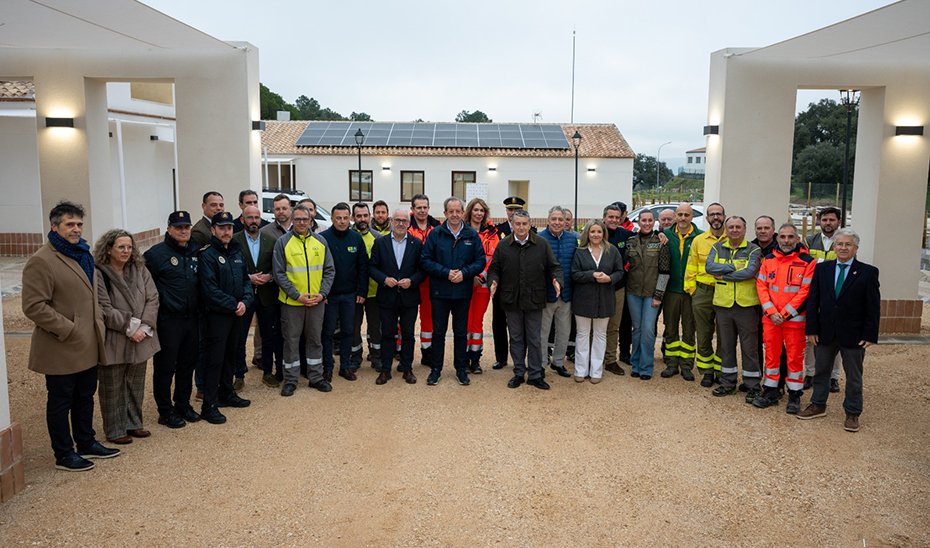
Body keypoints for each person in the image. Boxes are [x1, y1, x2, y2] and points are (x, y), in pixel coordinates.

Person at [22, 201, 119, 471]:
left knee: (85, 396)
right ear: (54, 227)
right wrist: (68, 328)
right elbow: (33, 306)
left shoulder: (83, 254)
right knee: (61, 400)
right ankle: (64, 454)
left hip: (88, 343)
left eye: (78, 224)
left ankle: (86, 442)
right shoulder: (42, 260)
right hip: (61, 345)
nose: (76, 229)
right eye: (69, 224)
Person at [799, 228, 880, 433]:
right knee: (821, 371)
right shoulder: (822, 269)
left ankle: (853, 412)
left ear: (856, 248)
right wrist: (811, 329)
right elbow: (813, 301)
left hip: (853, 334)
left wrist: (870, 334)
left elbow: (873, 306)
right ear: (834, 246)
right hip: (825, 332)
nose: (843, 248)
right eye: (840, 244)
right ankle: (818, 404)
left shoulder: (868, 272)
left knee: (854, 376)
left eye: (848, 244)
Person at [93, 229, 160, 445]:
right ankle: (114, 429)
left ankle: (133, 423)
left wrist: (145, 326)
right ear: (109, 249)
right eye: (121, 247)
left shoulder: (139, 269)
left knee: (135, 383)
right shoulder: (99, 272)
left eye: (129, 247)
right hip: (115, 337)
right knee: (112, 386)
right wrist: (130, 327)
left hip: (142, 335)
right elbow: (103, 306)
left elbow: (153, 297)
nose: (126, 251)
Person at [488, 210, 562, 390]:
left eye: (524, 224)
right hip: (511, 299)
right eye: (517, 224)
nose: (521, 227)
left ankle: (535, 374)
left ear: (530, 224)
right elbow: (494, 268)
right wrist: (493, 281)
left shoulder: (541, 244)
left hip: (534, 298)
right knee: (516, 337)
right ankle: (519, 372)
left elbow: (554, 267)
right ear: (512, 224)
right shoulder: (503, 245)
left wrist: (556, 280)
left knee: (534, 338)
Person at [144, 211, 202, 429]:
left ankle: (183, 404)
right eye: (178, 227)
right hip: (168, 320)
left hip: (192, 318)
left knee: (188, 365)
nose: (183, 231)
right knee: (165, 367)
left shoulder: (196, 250)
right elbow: (146, 288)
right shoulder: (155, 255)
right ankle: (164, 410)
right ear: (169, 229)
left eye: (186, 227)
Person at [421, 197, 486, 386]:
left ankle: (461, 369)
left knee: (460, 332)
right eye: (451, 211)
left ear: (462, 212)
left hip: (462, 293)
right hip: (440, 292)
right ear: (445, 213)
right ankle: (436, 369)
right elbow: (425, 260)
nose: (455, 215)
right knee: (438, 332)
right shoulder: (436, 234)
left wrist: (465, 273)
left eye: (458, 211)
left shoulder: (471, 235)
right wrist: (446, 273)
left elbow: (480, 261)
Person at [273, 204, 336, 396]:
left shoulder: (321, 242)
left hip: (316, 302)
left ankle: (315, 377)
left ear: (311, 221)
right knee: (291, 342)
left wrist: (323, 294)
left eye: (305, 219)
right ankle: (291, 380)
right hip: (292, 303)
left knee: (315, 340)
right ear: (292, 220)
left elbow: (329, 270)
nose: (301, 222)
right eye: (298, 219)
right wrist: (297, 295)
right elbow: (279, 274)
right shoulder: (283, 243)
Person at [753, 224, 815, 414]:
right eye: (783, 237)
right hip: (771, 319)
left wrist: (785, 313)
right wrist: (771, 311)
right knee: (771, 356)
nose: (786, 241)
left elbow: (805, 291)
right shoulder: (769, 259)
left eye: (791, 237)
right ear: (778, 239)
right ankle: (771, 391)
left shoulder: (807, 261)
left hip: (794, 321)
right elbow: (761, 285)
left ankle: (794, 396)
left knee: (794, 359)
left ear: (797, 239)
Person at [198, 211, 252, 424]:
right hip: (217, 317)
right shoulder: (207, 254)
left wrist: (245, 302)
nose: (226, 231)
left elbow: (246, 281)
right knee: (215, 359)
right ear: (213, 230)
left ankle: (226, 393)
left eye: (229, 227)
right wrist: (233, 304)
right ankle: (208, 404)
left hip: (236, 314)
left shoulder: (236, 251)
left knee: (231, 354)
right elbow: (209, 290)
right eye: (222, 228)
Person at [706, 216, 763, 400]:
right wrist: (734, 266)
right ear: (726, 229)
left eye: (738, 227)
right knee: (726, 347)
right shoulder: (717, 247)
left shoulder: (754, 249)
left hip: (746, 305)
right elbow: (709, 267)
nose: (735, 230)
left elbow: (749, 272)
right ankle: (727, 383)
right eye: (731, 227)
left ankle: (752, 385)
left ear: (745, 229)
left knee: (749, 348)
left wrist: (724, 274)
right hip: (723, 305)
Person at [368, 208, 425, 384]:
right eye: (398, 220)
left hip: (409, 297)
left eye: (404, 221)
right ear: (392, 221)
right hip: (387, 296)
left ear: (409, 223)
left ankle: (407, 368)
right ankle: (385, 370)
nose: (401, 223)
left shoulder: (416, 244)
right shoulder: (381, 243)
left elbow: (422, 270)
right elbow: (372, 267)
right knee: (387, 334)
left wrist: (412, 281)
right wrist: (384, 279)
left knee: (408, 335)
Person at [232, 205, 282, 388]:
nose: (253, 221)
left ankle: (268, 372)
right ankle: (239, 375)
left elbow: (277, 267)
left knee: (269, 335)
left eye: (256, 217)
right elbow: (231, 268)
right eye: (249, 217)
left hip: (267, 295)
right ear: (243, 219)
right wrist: (248, 278)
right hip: (243, 296)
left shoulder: (271, 240)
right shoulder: (234, 241)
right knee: (240, 335)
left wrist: (270, 276)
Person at [571, 220, 625, 383]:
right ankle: (580, 369)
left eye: (599, 232)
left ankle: (596, 370)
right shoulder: (579, 251)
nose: (596, 235)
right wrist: (591, 275)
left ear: (603, 233)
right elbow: (574, 274)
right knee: (582, 335)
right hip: (583, 300)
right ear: (587, 233)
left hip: (605, 299)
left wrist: (610, 278)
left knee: (600, 335)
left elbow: (620, 272)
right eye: (592, 232)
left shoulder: (612, 251)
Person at [319, 202, 368, 382]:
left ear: (351, 219)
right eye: (338, 218)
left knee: (349, 331)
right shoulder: (323, 238)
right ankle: (328, 368)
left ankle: (345, 367)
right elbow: (319, 269)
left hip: (350, 295)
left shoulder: (356, 239)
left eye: (345, 218)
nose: (342, 221)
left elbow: (363, 267)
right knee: (328, 332)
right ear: (332, 219)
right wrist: (321, 293)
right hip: (329, 296)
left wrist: (361, 291)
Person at [625, 210, 670, 380]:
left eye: (650, 220)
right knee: (636, 329)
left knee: (648, 330)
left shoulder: (660, 241)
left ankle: (646, 367)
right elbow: (624, 264)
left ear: (654, 222)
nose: (646, 223)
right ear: (638, 221)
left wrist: (659, 295)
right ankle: (635, 364)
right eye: (643, 220)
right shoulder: (630, 242)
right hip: (633, 292)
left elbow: (665, 272)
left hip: (652, 293)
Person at [685, 202, 726, 386]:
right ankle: (707, 371)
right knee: (703, 335)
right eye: (712, 214)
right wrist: (693, 290)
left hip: (725, 291)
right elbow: (691, 267)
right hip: (702, 292)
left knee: (725, 335)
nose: (716, 217)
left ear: (724, 216)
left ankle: (721, 370)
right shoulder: (698, 240)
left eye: (719, 214)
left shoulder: (732, 238)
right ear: (707, 218)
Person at [660, 203, 701, 381]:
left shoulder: (700, 237)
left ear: (691, 217)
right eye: (680, 214)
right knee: (670, 328)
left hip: (691, 291)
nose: (683, 218)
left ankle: (686, 366)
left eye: (687, 214)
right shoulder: (666, 235)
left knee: (689, 329)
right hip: (671, 290)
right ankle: (671, 364)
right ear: (676, 216)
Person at [804, 206, 842, 392]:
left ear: (838, 222)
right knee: (810, 336)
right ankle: (810, 373)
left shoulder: (843, 241)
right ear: (819, 221)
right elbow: (805, 264)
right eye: (825, 219)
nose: (828, 223)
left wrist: (819, 265)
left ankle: (834, 377)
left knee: (835, 336)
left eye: (832, 220)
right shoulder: (810, 240)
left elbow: (844, 264)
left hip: (835, 294)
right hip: (814, 292)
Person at [491, 196, 530, 370]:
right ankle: (501, 358)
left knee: (521, 326)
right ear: (506, 211)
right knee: (499, 323)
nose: (513, 212)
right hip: (501, 286)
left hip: (521, 286)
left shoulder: (530, 230)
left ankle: (520, 360)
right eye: (510, 210)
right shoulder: (496, 230)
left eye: (516, 209)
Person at [538, 206, 577, 378]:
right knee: (543, 332)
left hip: (566, 293)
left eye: (561, 220)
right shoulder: (539, 239)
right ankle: (540, 364)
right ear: (548, 220)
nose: (557, 223)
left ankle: (558, 362)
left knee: (564, 331)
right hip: (546, 294)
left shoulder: (573, 239)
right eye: (554, 219)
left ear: (565, 221)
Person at [464, 197, 499, 374]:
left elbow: (494, 259)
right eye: (476, 210)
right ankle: (463, 358)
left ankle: (475, 359)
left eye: (481, 211)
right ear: (470, 211)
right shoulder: (462, 231)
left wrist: (482, 275)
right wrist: (470, 276)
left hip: (483, 284)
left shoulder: (493, 234)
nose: (478, 213)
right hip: (465, 284)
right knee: (464, 321)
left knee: (477, 321)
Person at [407, 193, 440, 366]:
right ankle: (400, 351)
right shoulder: (406, 226)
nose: (422, 210)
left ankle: (427, 352)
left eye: (424, 207)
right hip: (411, 280)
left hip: (431, 280)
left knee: (428, 319)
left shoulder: (437, 227)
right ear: (412, 209)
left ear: (428, 208)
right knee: (405, 317)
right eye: (418, 207)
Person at [602, 203, 634, 375]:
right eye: (610, 217)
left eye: (616, 217)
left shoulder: (626, 235)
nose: (614, 220)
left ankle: (610, 360)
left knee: (614, 326)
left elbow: (644, 236)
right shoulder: (597, 232)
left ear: (621, 218)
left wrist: (659, 235)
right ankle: (595, 358)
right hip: (598, 288)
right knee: (596, 326)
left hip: (618, 287)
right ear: (604, 218)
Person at [350, 202, 382, 368]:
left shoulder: (378, 238)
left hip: (375, 292)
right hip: (354, 292)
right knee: (354, 326)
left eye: (365, 215)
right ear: (353, 217)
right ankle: (355, 357)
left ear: (370, 216)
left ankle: (376, 355)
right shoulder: (348, 236)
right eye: (358, 216)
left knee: (375, 326)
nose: (362, 219)